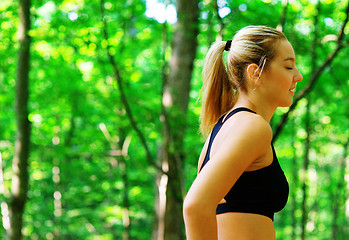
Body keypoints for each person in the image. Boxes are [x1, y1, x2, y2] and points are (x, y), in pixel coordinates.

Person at [183, 26, 303, 240]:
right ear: (255, 72)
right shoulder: (253, 126)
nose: (298, 76)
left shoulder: (222, 126)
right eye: (288, 67)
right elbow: (195, 206)